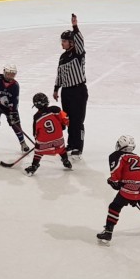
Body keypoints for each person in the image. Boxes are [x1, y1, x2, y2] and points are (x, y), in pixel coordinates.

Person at [97, 135, 140, 245]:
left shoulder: (116, 155)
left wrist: (113, 181)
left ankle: (108, 232)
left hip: (129, 188)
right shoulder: (139, 157)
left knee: (115, 206)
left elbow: (116, 173)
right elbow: (139, 174)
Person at [53, 13, 87, 157]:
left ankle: (78, 147)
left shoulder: (78, 53)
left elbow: (80, 41)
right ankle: (71, 144)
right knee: (68, 120)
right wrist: (56, 89)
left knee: (77, 120)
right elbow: (60, 74)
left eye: (65, 41)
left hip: (78, 91)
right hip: (66, 92)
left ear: (71, 42)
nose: (62, 43)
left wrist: (75, 26)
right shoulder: (63, 57)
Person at [0, 64, 30, 154]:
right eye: (8, 73)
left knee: (16, 124)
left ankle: (23, 143)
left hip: (9, 108)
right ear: (4, 72)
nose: (10, 76)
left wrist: (12, 113)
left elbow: (15, 101)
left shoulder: (15, 85)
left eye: (13, 74)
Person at [24, 93, 72, 176]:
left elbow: (35, 133)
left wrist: (37, 142)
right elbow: (66, 120)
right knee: (61, 148)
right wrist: (62, 126)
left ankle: (34, 166)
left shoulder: (36, 116)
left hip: (44, 144)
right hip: (59, 141)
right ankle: (66, 161)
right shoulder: (56, 109)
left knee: (38, 152)